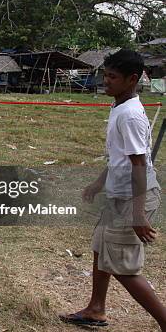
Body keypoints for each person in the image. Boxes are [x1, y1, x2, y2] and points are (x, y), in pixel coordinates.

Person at [60, 49, 165, 329]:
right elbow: (121, 157)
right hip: (120, 194)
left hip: (134, 198)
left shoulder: (129, 115)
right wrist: (99, 182)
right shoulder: (120, 105)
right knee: (100, 247)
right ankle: (96, 309)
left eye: (112, 77)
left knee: (124, 268)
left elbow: (139, 165)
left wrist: (138, 214)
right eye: (104, 74)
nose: (105, 81)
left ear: (132, 79)